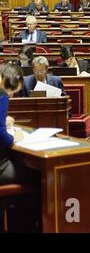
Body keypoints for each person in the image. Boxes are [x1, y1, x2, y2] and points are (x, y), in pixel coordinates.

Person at [0, 62, 40, 232]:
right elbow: (1, 138)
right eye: (12, 91)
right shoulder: (2, 95)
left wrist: (3, 121)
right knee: (41, 175)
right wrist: (13, 136)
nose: (11, 94)